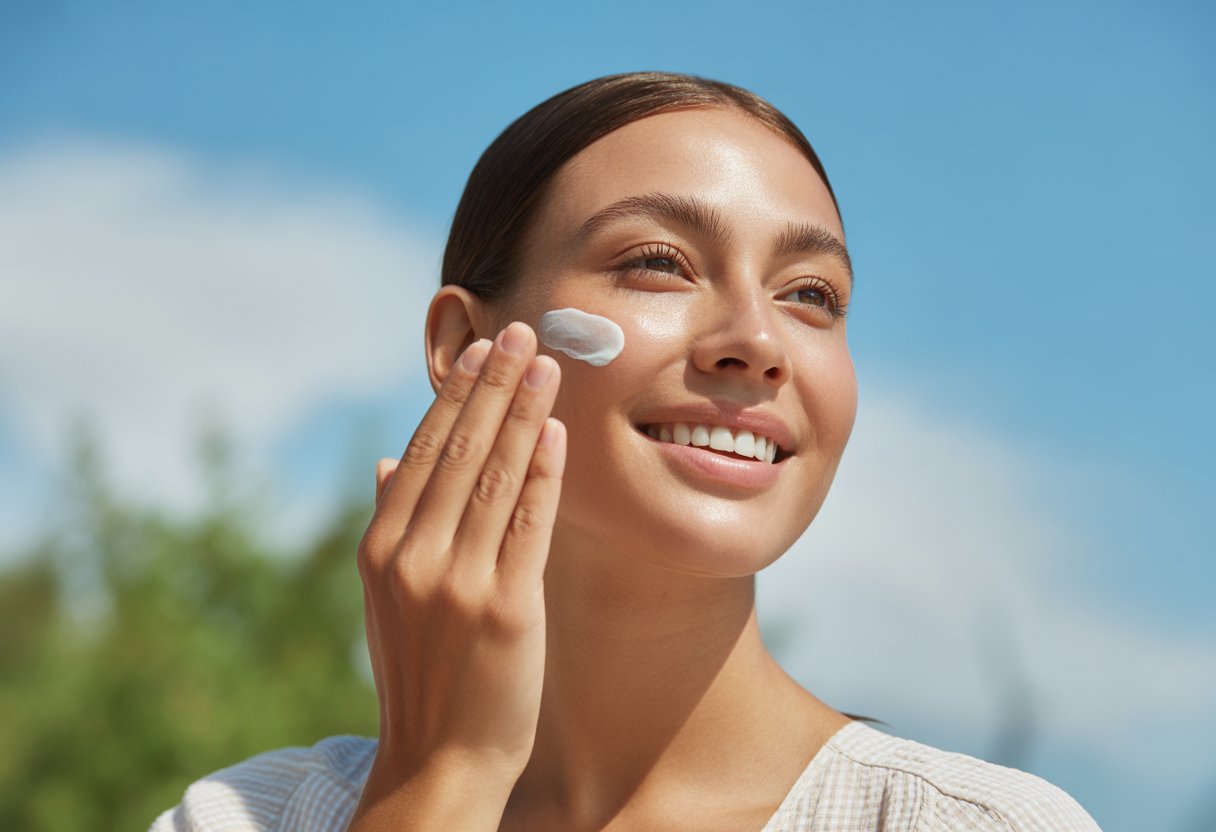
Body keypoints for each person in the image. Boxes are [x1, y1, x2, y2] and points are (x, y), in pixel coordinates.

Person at [150, 72, 1101, 831]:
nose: (758, 342)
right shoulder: (255, 817)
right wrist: (440, 784)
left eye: (811, 294)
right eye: (658, 263)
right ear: (460, 347)